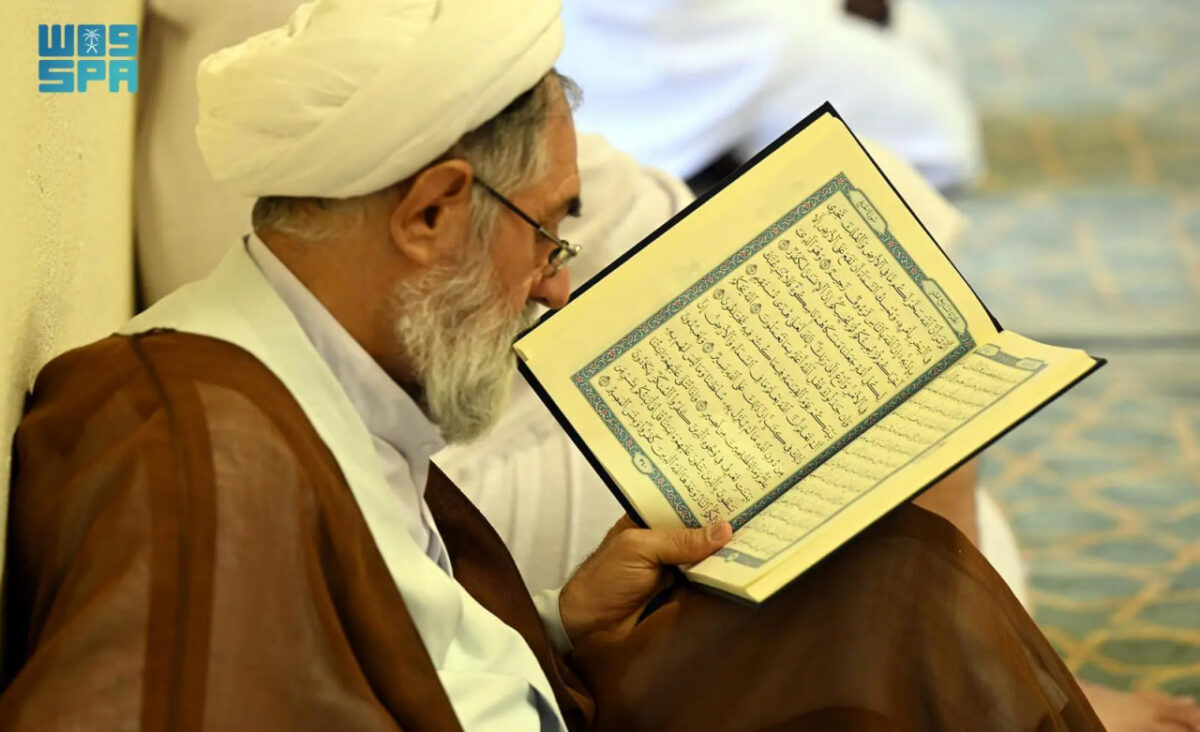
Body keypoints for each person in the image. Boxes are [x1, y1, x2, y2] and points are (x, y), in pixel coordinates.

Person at [0, 0, 1139, 727]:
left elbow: (411, 654)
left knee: (886, 587)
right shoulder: (197, 441)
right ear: (431, 212)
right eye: (547, 233)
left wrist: (553, 625)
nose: (553, 284)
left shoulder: (334, 391)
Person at [557, 0, 985, 192]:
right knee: (937, 135)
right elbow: (949, 156)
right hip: (700, 24)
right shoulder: (783, 38)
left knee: (917, 39)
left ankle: (725, 142)